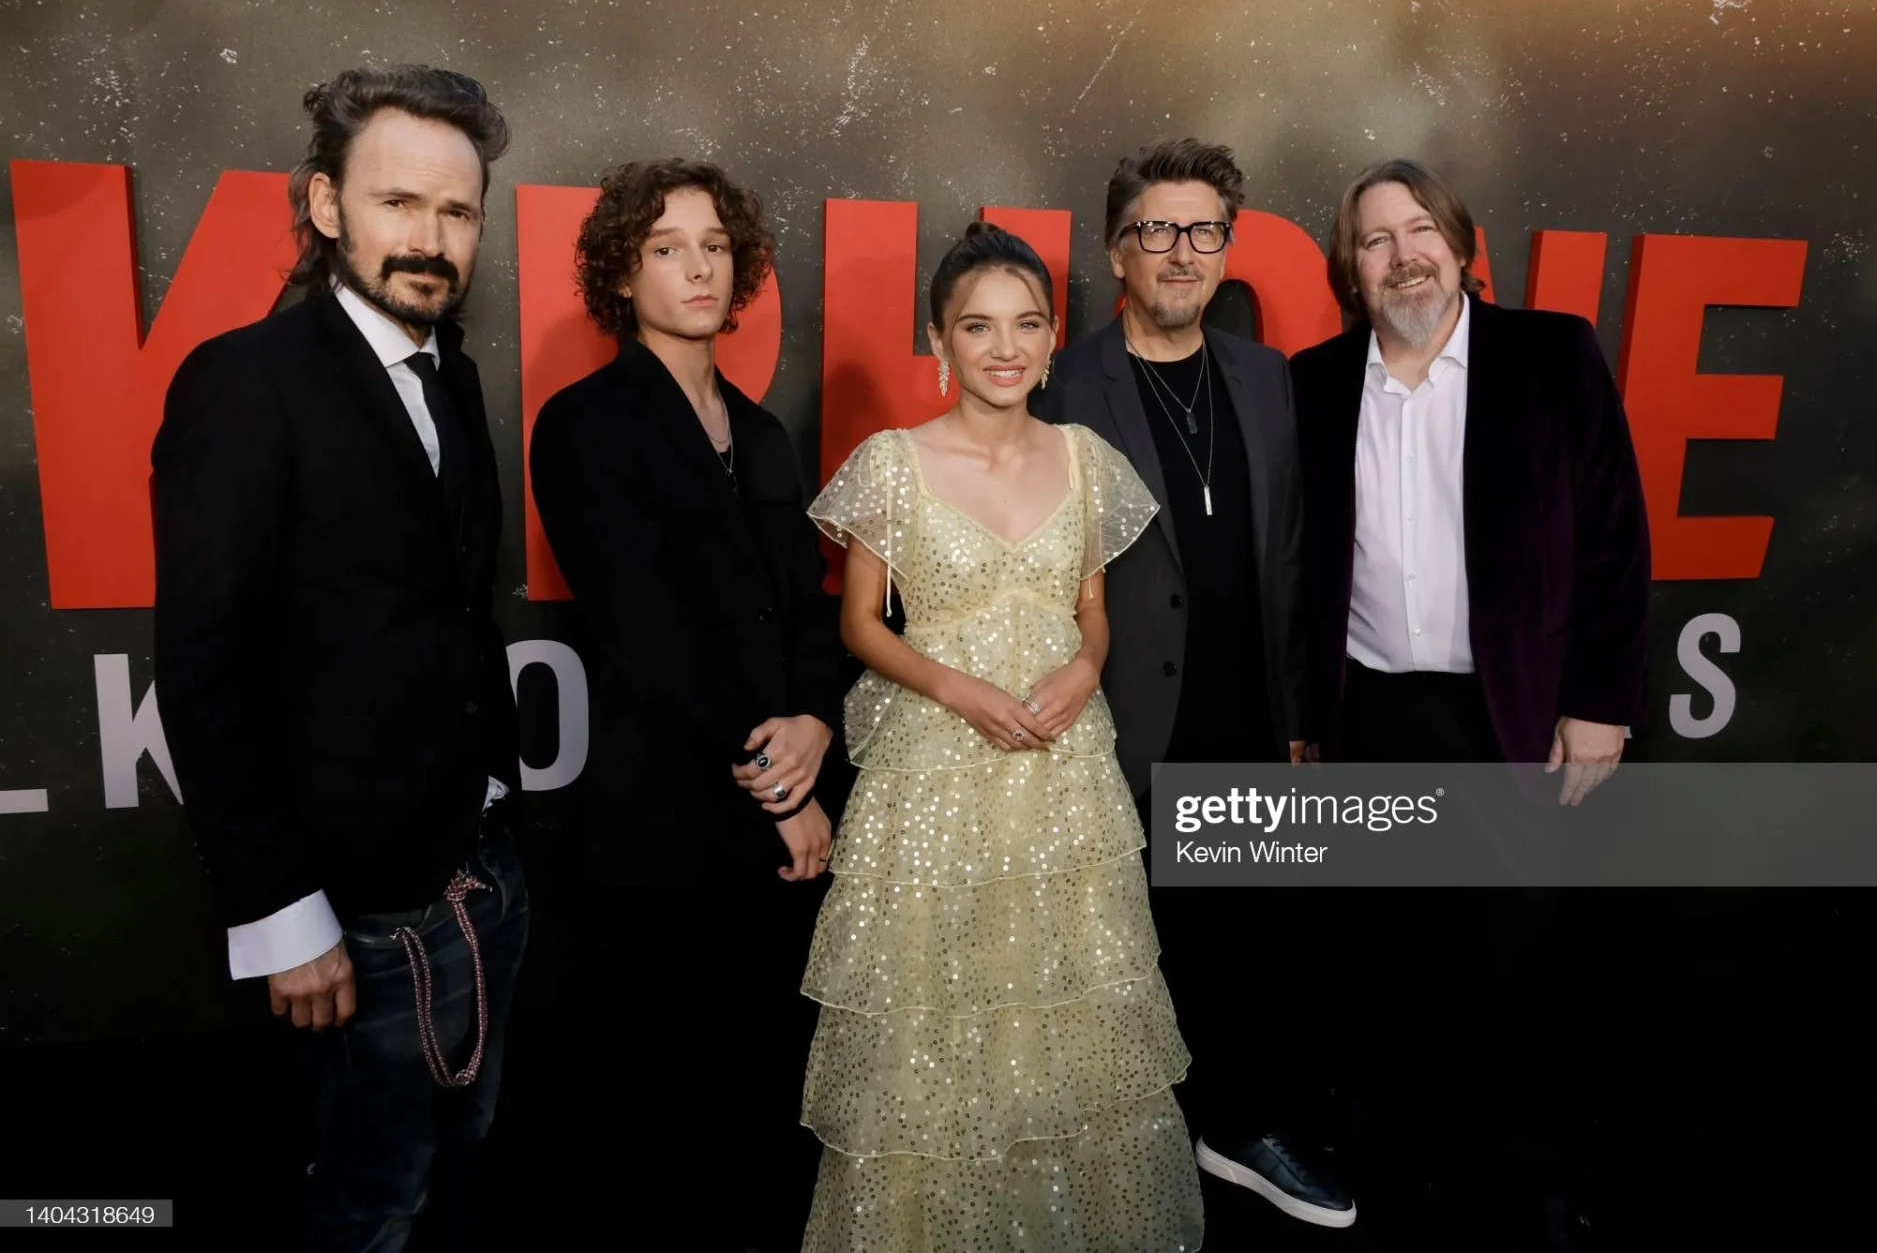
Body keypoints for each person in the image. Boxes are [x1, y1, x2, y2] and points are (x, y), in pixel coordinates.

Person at [150, 65, 525, 1252]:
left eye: (457, 212)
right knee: (367, 1205)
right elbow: (205, 668)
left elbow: (443, 618)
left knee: (460, 1170)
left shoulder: (449, 373)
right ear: (325, 206)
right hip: (347, 916)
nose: (429, 238)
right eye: (397, 203)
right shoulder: (244, 382)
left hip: (480, 877)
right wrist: (279, 911)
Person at [798, 222, 1205, 1252]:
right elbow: (858, 623)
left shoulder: (1086, 457)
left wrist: (1081, 665)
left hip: (1064, 768)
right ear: (941, 338)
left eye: (1027, 322)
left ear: (1054, 334)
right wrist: (961, 689)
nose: (1005, 345)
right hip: (936, 770)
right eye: (978, 325)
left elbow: (1093, 606)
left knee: (1065, 999)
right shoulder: (892, 463)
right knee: (941, 1013)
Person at [1289, 158, 1653, 1247]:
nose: (1402, 254)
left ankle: (1536, 1173)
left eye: (1420, 230)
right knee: (1371, 958)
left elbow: (1614, 538)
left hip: (1516, 713)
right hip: (1369, 717)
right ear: (1349, 270)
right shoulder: (1310, 380)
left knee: (1521, 961)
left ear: (1461, 244)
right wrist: (1305, 712)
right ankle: (1378, 1163)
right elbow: (1294, 568)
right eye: (1374, 238)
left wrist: (1599, 700)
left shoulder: (1549, 355)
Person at [527, 158, 849, 1251]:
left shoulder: (761, 435)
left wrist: (816, 721)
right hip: (669, 815)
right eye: (668, 246)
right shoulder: (583, 424)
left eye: (714, 244)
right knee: (657, 1091)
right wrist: (778, 788)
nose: (698, 265)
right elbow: (648, 633)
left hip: (782, 815)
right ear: (622, 271)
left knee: (759, 1085)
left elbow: (807, 606)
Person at [1032, 138, 1354, 1230]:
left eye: (1202, 230)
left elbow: (1297, 555)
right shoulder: (1064, 381)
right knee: (1135, 951)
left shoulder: (1265, 376)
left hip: (1254, 710)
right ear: (1116, 250)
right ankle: (1133, 1159)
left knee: (1262, 936)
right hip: (1127, 720)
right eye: (1155, 230)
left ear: (1227, 247)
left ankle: (1245, 1127)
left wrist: (1302, 713)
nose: (1180, 250)